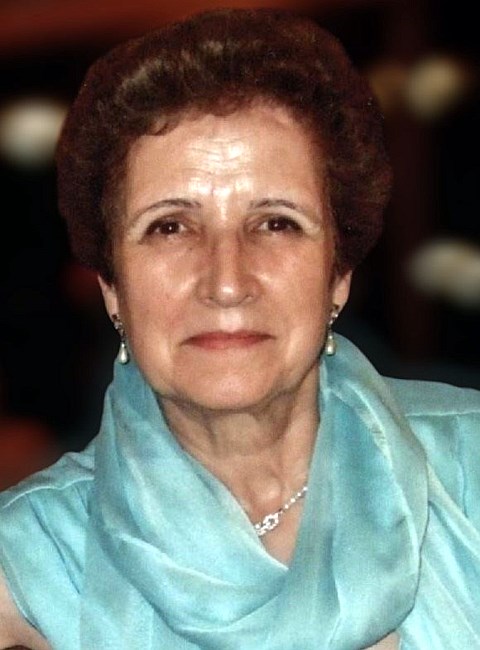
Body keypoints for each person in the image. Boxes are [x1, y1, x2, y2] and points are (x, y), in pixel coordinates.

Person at [0, 8, 479, 650]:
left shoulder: (468, 473)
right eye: (170, 227)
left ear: (338, 275)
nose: (226, 282)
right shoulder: (31, 560)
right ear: (112, 287)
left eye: (276, 223)